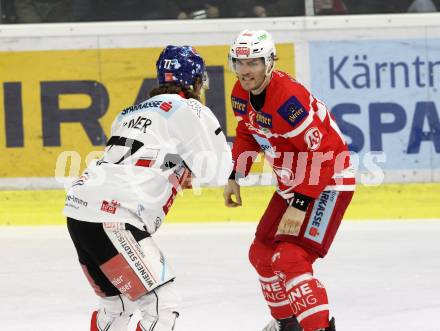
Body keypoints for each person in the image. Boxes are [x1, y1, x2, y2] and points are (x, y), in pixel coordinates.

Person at [64, 45, 232, 331]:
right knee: (162, 307)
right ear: (195, 81)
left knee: (117, 307)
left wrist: (178, 168)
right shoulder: (191, 108)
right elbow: (216, 173)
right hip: (115, 217)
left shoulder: (128, 112)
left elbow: (142, 158)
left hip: (80, 211)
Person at [224, 30, 355, 331]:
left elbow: (324, 153)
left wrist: (300, 204)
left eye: (254, 62)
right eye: (239, 63)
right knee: (262, 253)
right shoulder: (239, 94)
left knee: (290, 259)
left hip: (328, 183)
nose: (245, 71)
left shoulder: (288, 101)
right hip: (293, 184)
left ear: (269, 62)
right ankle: (288, 324)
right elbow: (248, 132)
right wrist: (236, 174)